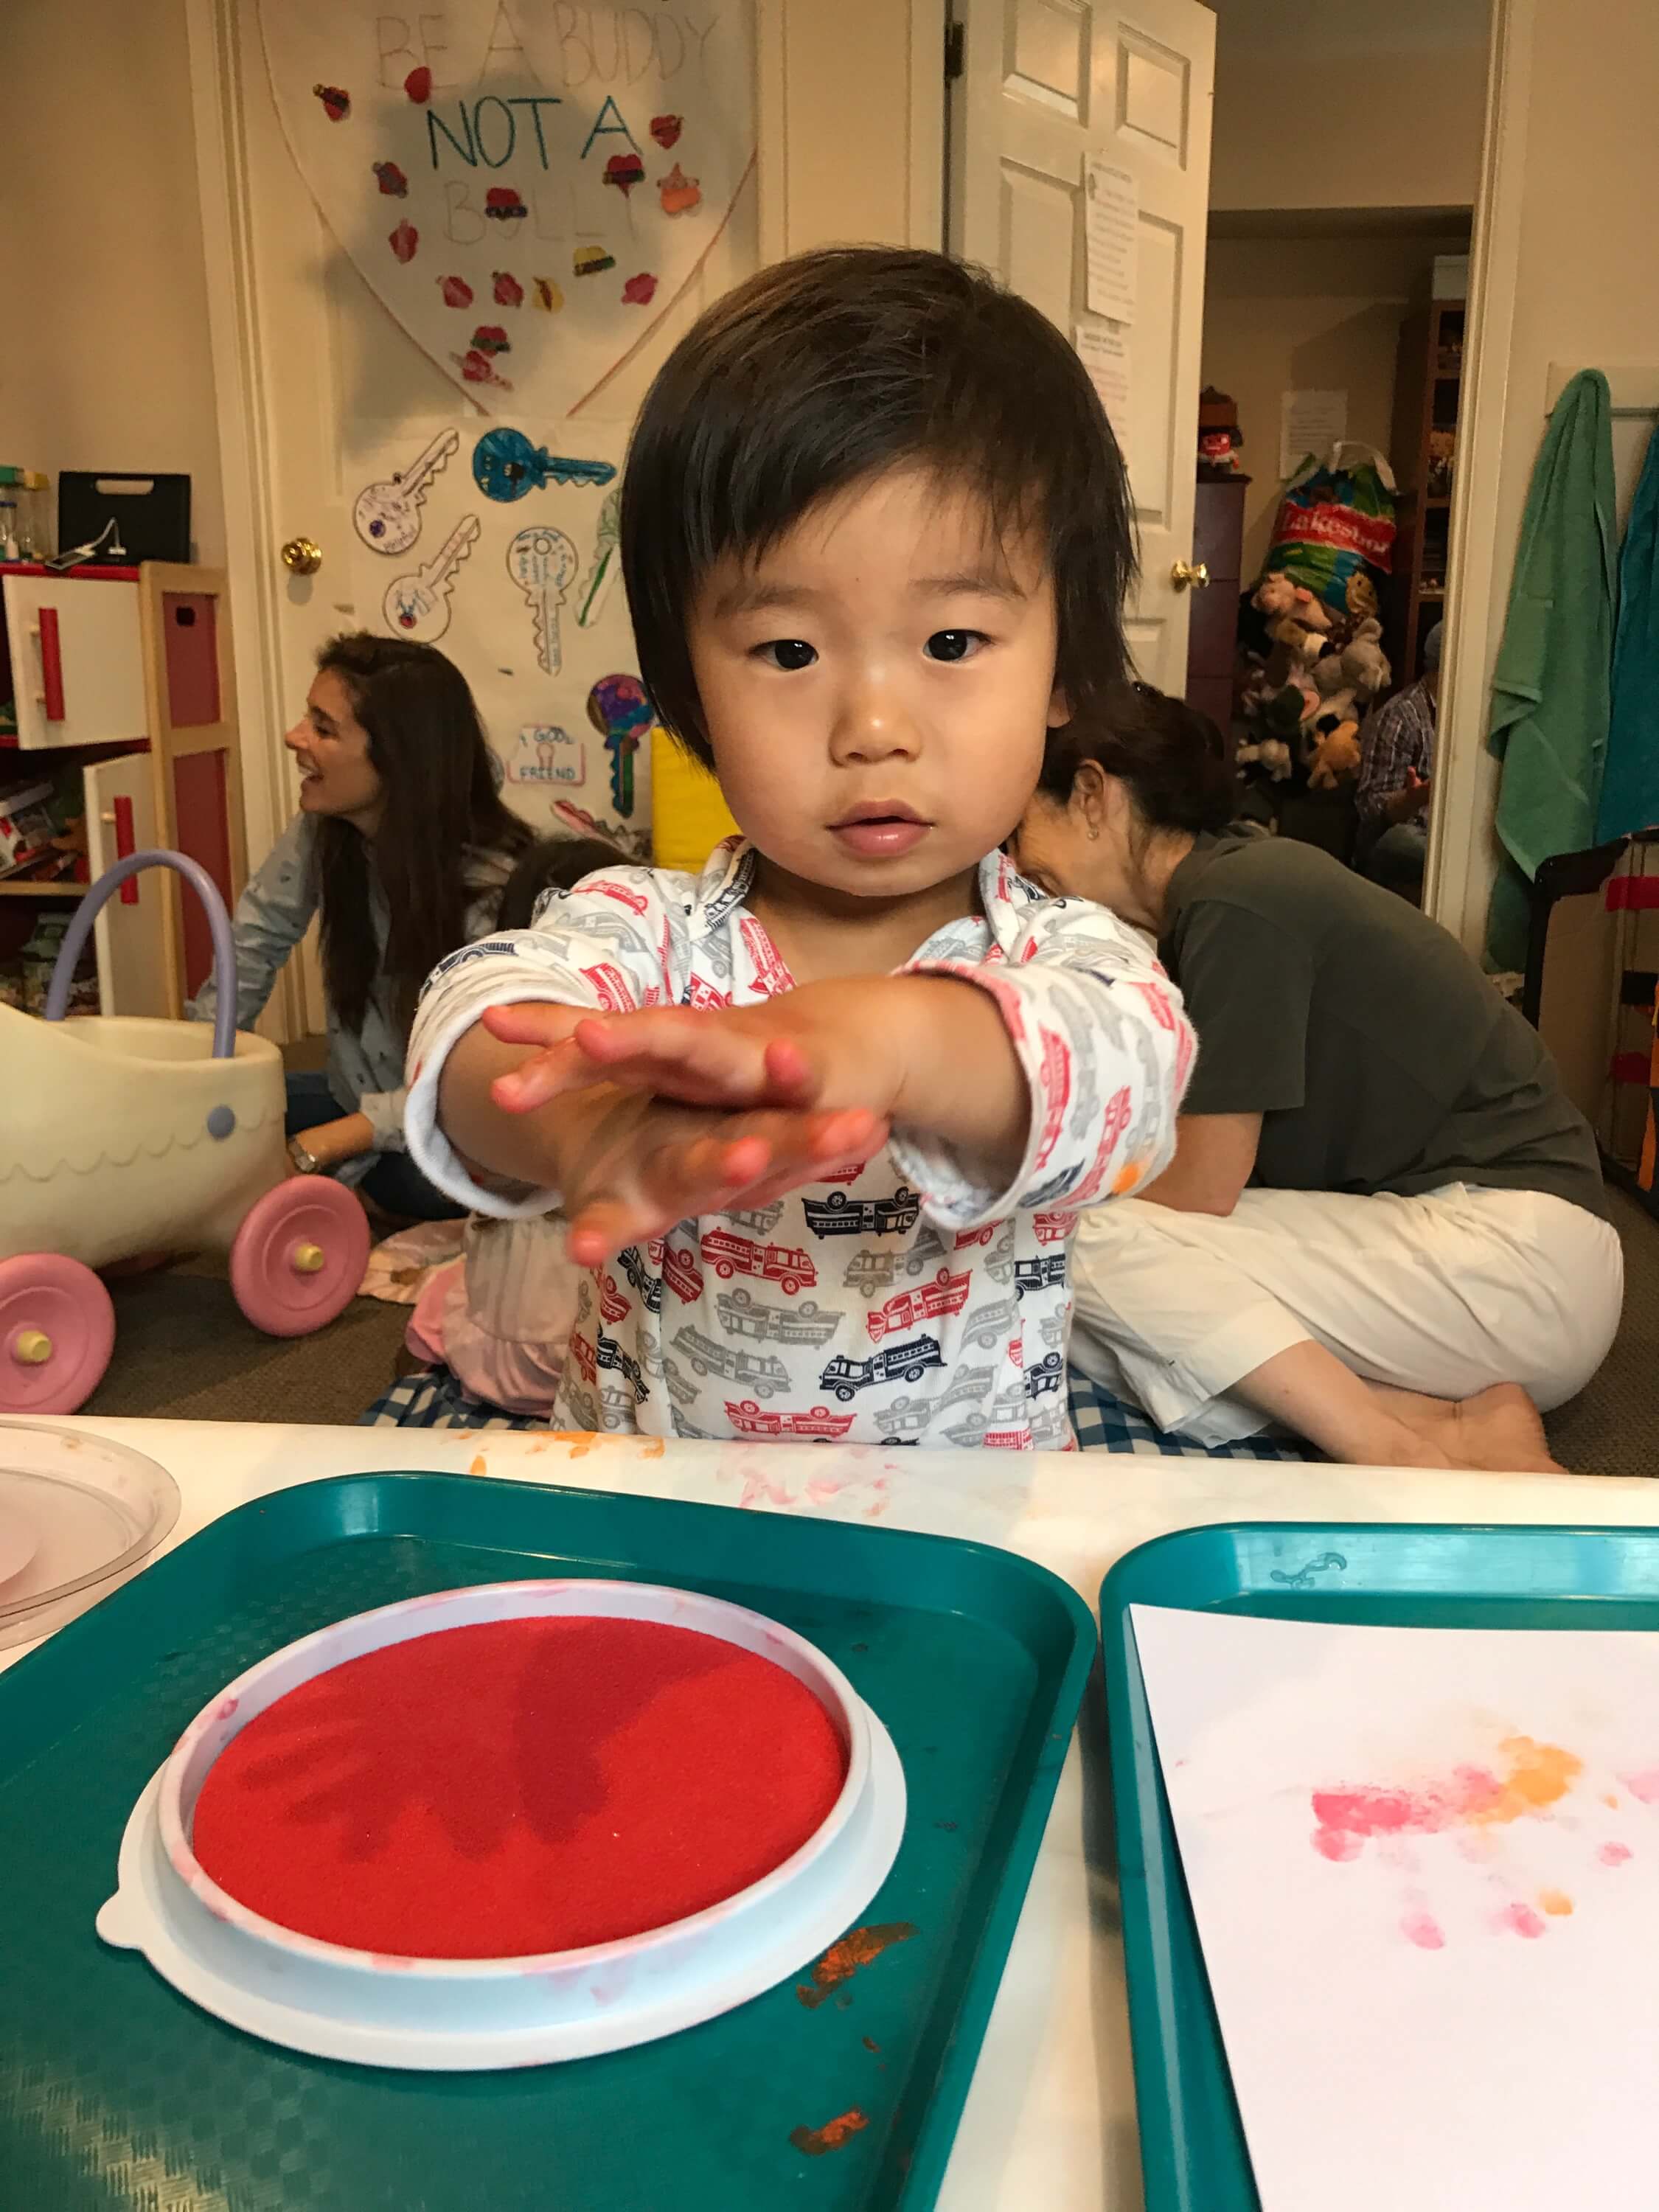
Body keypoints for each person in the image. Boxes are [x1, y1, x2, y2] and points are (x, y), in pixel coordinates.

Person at [401, 246, 1194, 1447]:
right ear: (688, 691)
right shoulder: (650, 934)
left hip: (962, 1550)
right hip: (657, 1528)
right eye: (787, 653)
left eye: (953, 641)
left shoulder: (1072, 956)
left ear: (1064, 671)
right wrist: (572, 1122)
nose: (873, 729)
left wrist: (890, 1038)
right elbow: (478, 1016)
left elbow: (1135, 1089)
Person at [1010, 681, 1623, 1472]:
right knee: (1056, 1301)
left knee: (1067, 1237)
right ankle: (1441, 1423)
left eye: (1018, 828)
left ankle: (1392, 1450)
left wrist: (1035, 1178)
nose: (1016, 865)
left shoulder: (1239, 901)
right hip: (1493, 1264)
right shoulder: (1222, 899)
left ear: (1091, 795)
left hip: (1518, 1260)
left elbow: (1203, 1185)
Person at [192, 633, 532, 1220]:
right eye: (308, 718)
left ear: (398, 761)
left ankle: (357, 1195)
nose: (295, 737)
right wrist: (198, 1069)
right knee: (226, 1121)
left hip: (453, 1127)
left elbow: (471, 1084)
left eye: (323, 729)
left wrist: (315, 1149)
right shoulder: (325, 829)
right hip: (349, 1092)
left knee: (419, 1181)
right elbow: (254, 939)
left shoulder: (493, 886)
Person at [366, 835, 624, 1429]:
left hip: (483, 1355)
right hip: (575, 1366)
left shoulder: (486, 1033)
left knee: (451, 1285)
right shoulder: (615, 1063)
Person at [1354, 619, 1442, 900]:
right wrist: (1412, 799)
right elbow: (1369, 808)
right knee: (1405, 842)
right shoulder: (1402, 716)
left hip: (1450, 835)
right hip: (1399, 842)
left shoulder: (1472, 715)